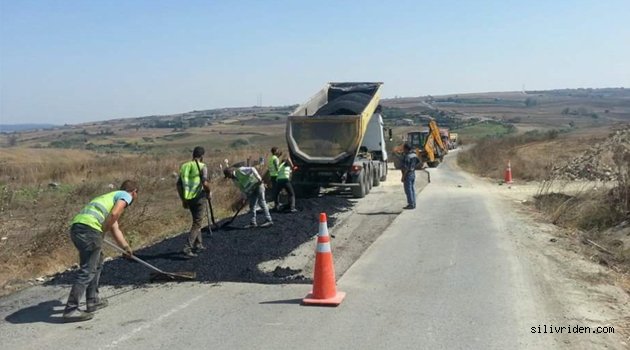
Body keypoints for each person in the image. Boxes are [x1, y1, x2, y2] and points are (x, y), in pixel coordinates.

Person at [63, 180, 139, 322]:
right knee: (87, 270)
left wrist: (126, 248)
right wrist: (102, 230)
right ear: (134, 192)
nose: (134, 198)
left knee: (97, 263)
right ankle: (71, 309)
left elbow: (114, 226)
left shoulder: (108, 198)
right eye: (136, 195)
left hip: (78, 228)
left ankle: (92, 301)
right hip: (89, 230)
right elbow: (115, 215)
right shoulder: (125, 195)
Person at [177, 146, 211, 257]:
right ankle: (188, 247)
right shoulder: (202, 166)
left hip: (188, 198)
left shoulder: (185, 166)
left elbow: (179, 185)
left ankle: (198, 244)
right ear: (202, 156)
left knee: (196, 220)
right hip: (199, 197)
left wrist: (183, 199)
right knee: (197, 223)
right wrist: (208, 192)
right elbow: (205, 183)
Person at [401, 143, 419, 209]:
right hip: (413, 173)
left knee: (408, 190)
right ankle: (413, 203)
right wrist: (413, 167)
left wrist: (403, 177)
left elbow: (405, 168)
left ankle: (411, 204)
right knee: (412, 189)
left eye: (404, 148)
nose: (403, 149)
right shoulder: (414, 155)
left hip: (408, 174)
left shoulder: (407, 157)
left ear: (406, 149)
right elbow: (418, 162)